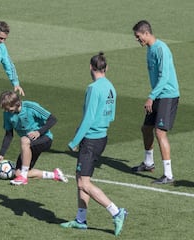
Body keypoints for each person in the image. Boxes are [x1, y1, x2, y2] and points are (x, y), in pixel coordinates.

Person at [60, 52, 127, 236]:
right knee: (79, 177)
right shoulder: (111, 86)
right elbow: (111, 114)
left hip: (90, 139)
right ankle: (80, 219)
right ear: (106, 68)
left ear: (91, 67)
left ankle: (116, 211)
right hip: (102, 137)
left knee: (84, 183)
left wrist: (75, 141)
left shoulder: (93, 88)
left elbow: (88, 118)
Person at [131, 20, 180, 184]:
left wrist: (151, 96)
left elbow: (165, 77)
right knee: (146, 129)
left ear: (146, 33)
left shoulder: (161, 49)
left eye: (138, 37)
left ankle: (168, 174)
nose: (138, 40)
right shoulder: (150, 50)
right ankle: (148, 163)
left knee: (160, 132)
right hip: (158, 95)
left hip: (167, 95)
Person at [0, 90, 68, 186]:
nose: (8, 112)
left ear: (17, 103)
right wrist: (1, 154)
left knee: (24, 140)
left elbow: (52, 119)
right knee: (17, 173)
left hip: (44, 139)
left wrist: (39, 132)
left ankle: (23, 176)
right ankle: (55, 175)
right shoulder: (7, 114)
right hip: (28, 146)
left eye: (10, 109)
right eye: (6, 110)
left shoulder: (31, 107)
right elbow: (9, 134)